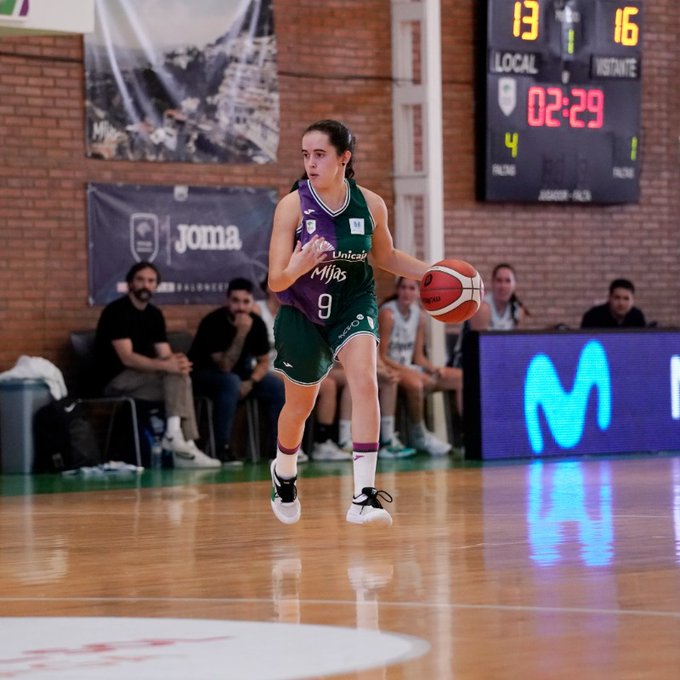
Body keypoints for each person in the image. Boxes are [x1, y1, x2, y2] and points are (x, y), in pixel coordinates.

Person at [267, 118, 453, 527]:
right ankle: (284, 472)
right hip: (302, 311)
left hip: (353, 302)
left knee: (366, 380)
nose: (311, 163)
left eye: (320, 154)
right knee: (299, 407)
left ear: (343, 158)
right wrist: (297, 266)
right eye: (306, 155)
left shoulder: (370, 204)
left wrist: (432, 272)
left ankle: (363, 496)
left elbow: (385, 256)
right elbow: (276, 280)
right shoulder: (292, 206)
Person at [94, 261, 219, 468]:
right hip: (115, 379)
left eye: (151, 281)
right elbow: (127, 358)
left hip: (144, 380)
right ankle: (183, 442)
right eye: (140, 280)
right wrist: (168, 366)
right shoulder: (116, 311)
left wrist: (178, 363)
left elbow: (165, 354)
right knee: (176, 379)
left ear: (156, 285)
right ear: (130, 283)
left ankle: (180, 441)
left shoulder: (154, 314)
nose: (146, 285)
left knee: (179, 376)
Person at [189, 277, 285, 464]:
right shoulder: (213, 321)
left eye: (245, 302)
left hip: (241, 378)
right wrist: (241, 333)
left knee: (275, 385)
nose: (240, 307)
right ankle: (222, 448)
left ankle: (279, 449)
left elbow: (263, 361)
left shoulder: (256, 322)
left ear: (251, 302)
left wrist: (251, 382)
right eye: (235, 301)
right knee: (230, 381)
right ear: (227, 300)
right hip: (205, 376)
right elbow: (224, 366)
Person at [378, 277, 460, 456]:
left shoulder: (420, 316)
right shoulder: (388, 314)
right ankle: (419, 434)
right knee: (416, 383)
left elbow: (418, 357)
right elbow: (381, 356)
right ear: (397, 290)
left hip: (409, 368)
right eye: (403, 287)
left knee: (459, 377)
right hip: (390, 368)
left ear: (418, 293)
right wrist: (410, 372)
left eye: (411, 288)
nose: (407, 292)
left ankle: (464, 436)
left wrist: (432, 368)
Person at [452, 262, 527, 368]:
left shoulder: (518, 311)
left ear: (514, 284)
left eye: (508, 281)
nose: (503, 286)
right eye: (499, 280)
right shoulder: (482, 308)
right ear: (492, 283)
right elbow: (479, 350)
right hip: (468, 363)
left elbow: (517, 347)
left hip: (500, 362)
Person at [580, 278, 646, 328]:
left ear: (633, 300)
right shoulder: (593, 317)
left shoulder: (637, 317)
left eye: (626, 299)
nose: (621, 303)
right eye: (617, 298)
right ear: (609, 298)